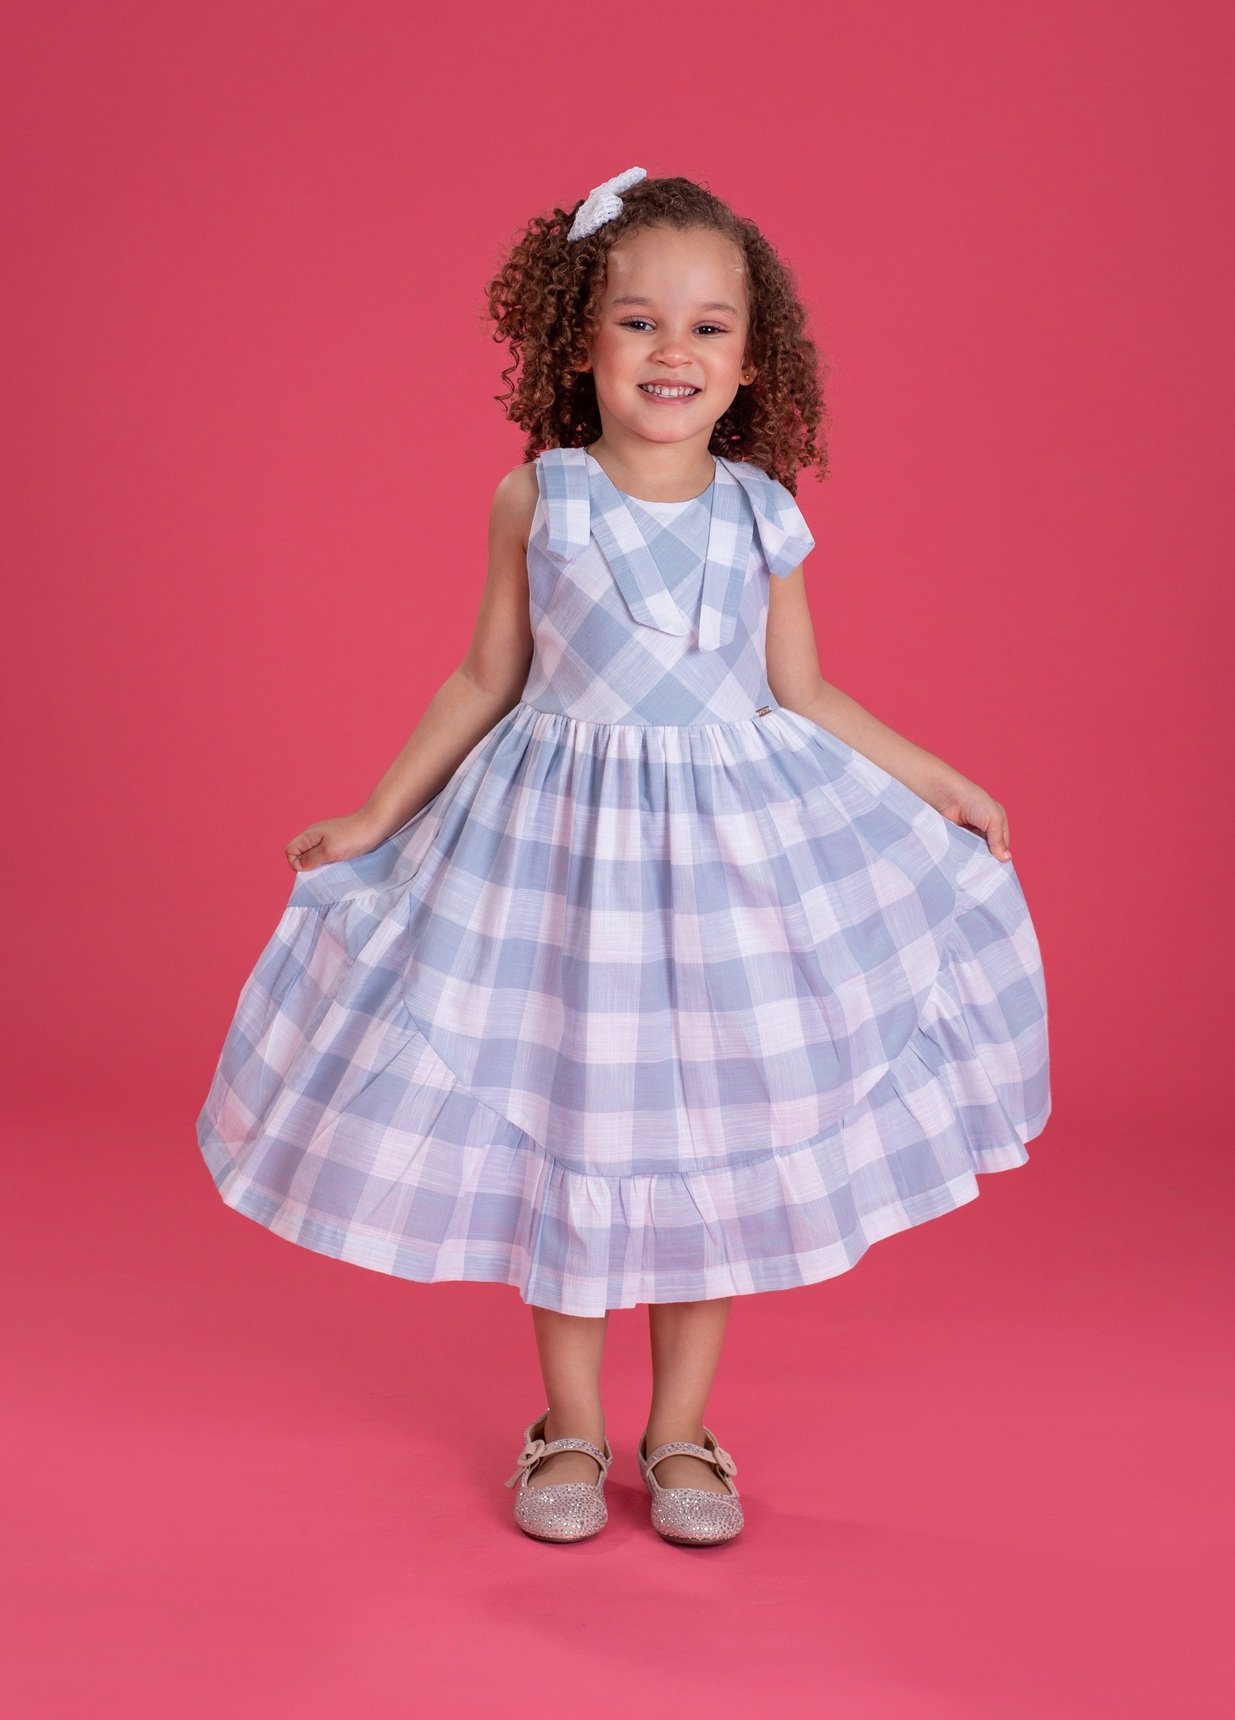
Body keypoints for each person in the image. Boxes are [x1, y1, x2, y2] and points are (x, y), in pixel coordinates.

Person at [196, 166, 1051, 1548]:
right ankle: (571, 1426)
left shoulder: (761, 512)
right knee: (576, 1125)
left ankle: (684, 1431)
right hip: (560, 871)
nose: (673, 350)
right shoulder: (541, 498)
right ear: (580, 343)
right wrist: (377, 813)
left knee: (713, 1133)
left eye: (709, 328)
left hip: (721, 875)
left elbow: (802, 692)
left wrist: (936, 777)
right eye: (640, 321)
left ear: (751, 361)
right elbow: (484, 678)